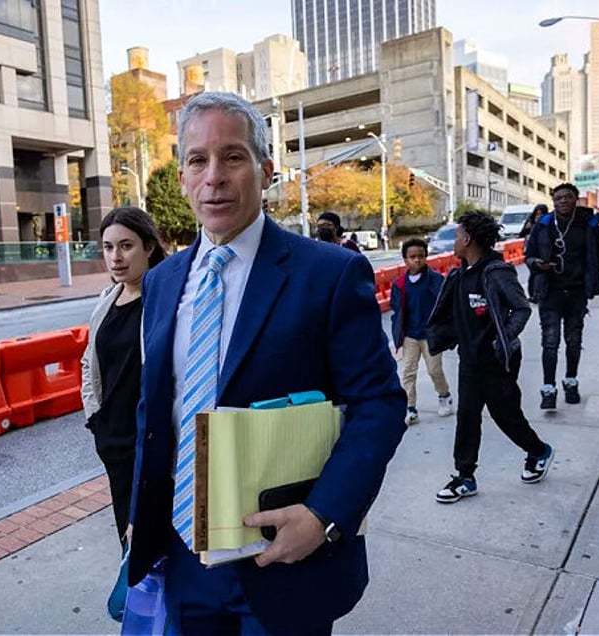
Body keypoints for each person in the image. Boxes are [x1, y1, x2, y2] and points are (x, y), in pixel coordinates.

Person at [128, 92, 406, 635]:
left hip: (285, 552)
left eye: (233, 157)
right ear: (182, 176)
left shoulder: (329, 273)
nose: (215, 177)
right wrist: (142, 506)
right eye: (197, 160)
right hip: (185, 553)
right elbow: (156, 408)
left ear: (266, 171)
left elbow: (379, 404)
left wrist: (323, 515)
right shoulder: (161, 282)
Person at [427, 211, 554, 504]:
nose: (455, 241)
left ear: (468, 239)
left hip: (496, 360)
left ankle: (538, 451)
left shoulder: (496, 272)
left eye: (458, 235)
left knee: (506, 416)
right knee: (467, 418)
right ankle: (465, 476)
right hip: (469, 360)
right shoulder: (459, 275)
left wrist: (502, 338)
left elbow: (521, 308)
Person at [81, 206, 165, 546]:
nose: (116, 257)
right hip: (113, 440)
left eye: (126, 246)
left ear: (148, 247)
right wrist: (94, 416)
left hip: (153, 440)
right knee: (128, 540)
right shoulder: (106, 300)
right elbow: (89, 362)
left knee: (153, 538)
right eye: (108, 247)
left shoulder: (164, 300)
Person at [525, 183, 599, 409]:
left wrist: (594, 283)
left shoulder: (588, 224)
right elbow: (529, 255)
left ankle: (571, 381)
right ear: (553, 201)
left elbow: (597, 256)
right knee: (550, 342)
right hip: (550, 291)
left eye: (568, 197)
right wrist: (537, 264)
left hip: (577, 291)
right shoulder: (544, 224)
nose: (563, 201)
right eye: (558, 198)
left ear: (576, 199)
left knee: (574, 340)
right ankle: (548, 389)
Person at [390, 237, 452, 425]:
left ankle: (444, 395)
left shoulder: (435, 280)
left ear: (426, 257)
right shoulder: (399, 284)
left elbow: (445, 304)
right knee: (408, 372)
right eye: (412, 257)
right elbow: (396, 309)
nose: (417, 260)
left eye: (421, 256)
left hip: (430, 335)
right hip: (410, 335)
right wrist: (398, 333)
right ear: (405, 259)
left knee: (434, 370)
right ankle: (410, 408)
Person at [519, 204, 548, 303]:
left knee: (538, 273)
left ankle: (536, 295)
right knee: (534, 273)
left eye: (541, 214)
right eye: (537, 213)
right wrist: (527, 228)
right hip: (530, 250)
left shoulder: (546, 222)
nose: (538, 216)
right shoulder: (530, 221)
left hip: (542, 250)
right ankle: (534, 294)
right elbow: (521, 234)